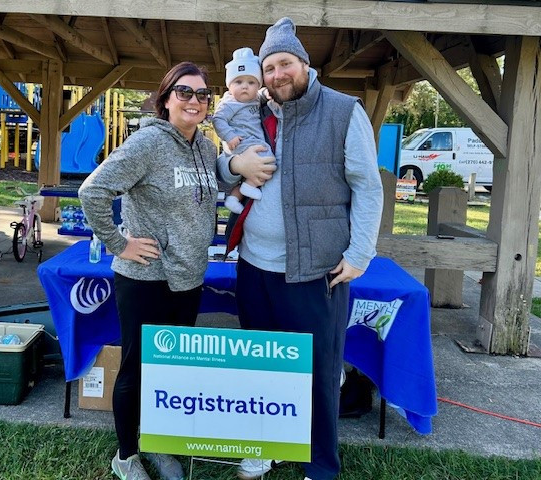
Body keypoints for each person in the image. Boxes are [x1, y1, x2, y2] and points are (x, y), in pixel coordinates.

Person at [216, 18, 383, 480]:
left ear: (304, 65)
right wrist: (233, 162)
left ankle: (320, 465)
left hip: (316, 268)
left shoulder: (343, 111)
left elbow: (367, 188)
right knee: (260, 364)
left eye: (285, 63)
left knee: (319, 372)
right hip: (254, 264)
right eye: (269, 67)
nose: (276, 75)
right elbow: (221, 170)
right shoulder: (253, 111)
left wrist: (360, 254)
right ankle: (263, 446)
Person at [78, 62, 219, 480]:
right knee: (138, 369)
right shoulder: (147, 143)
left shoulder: (206, 148)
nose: (194, 100)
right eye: (184, 92)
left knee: (171, 370)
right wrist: (119, 243)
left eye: (202, 94)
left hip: (189, 277)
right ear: (165, 98)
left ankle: (158, 444)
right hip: (145, 279)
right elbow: (93, 190)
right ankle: (126, 454)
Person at [212, 47, 275, 214]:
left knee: (261, 165)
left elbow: (261, 95)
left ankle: (234, 197)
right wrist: (229, 136)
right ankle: (248, 186)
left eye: (251, 82)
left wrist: (268, 94)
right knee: (268, 160)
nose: (245, 87)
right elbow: (218, 119)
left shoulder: (255, 99)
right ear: (229, 85)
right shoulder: (230, 103)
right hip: (241, 141)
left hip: (252, 141)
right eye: (238, 82)